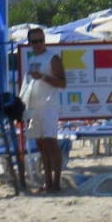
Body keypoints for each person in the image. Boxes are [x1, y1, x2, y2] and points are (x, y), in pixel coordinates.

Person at [22, 27, 67, 193]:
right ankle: (47, 181)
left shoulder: (52, 58)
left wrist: (43, 77)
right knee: (41, 144)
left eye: (41, 40)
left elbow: (62, 83)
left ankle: (57, 182)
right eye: (34, 41)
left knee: (51, 142)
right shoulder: (32, 59)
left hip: (49, 105)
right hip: (34, 105)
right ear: (30, 43)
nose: (38, 44)